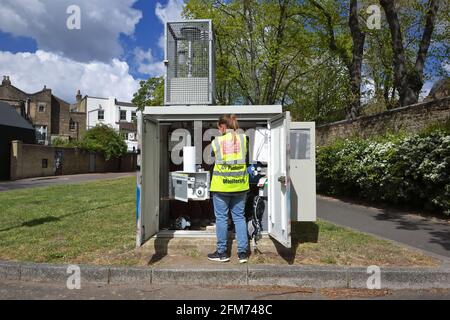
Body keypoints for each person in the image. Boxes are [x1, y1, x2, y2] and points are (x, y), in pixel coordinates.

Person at [208, 114, 250, 263]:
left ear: (222, 126)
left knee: (221, 219)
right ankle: (243, 253)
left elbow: (213, 155)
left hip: (221, 187)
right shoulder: (244, 139)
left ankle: (222, 253)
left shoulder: (217, 142)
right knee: (239, 218)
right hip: (240, 185)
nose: (218, 130)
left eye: (219, 128)